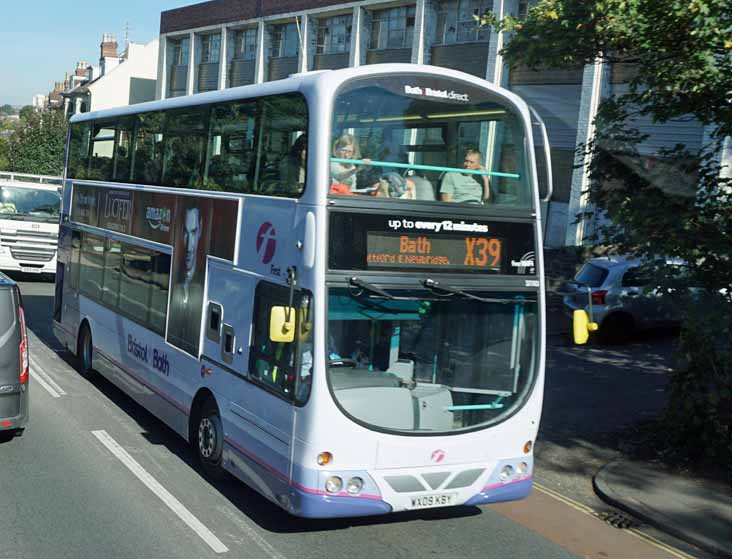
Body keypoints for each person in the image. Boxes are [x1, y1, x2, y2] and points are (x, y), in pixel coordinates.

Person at [167, 201, 206, 355]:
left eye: (194, 232)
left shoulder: (203, 286)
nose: (189, 245)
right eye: (186, 232)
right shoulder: (173, 278)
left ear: (201, 229)